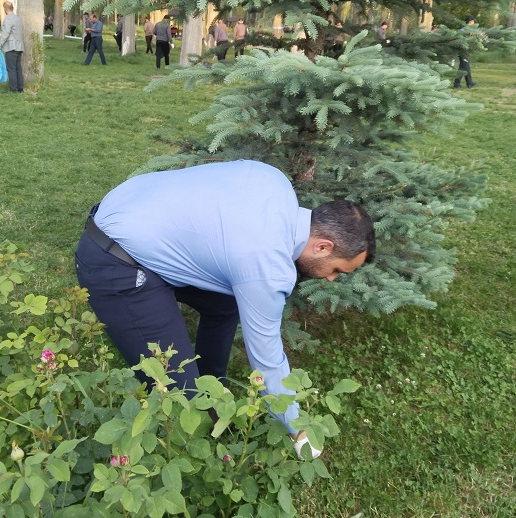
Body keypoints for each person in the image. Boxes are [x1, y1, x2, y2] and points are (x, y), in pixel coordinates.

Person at [75, 160, 375, 457]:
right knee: (181, 396)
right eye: (337, 270)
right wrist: (298, 428)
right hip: (113, 259)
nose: (332, 279)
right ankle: (190, 453)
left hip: (131, 213)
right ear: (323, 246)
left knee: (226, 303)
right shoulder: (267, 266)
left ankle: (214, 391)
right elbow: (267, 359)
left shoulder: (275, 181)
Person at [0, 1, 24, 93]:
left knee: (11, 69)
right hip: (19, 46)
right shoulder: (18, 19)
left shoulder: (8, 19)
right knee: (18, 68)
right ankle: (20, 88)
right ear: (12, 8)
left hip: (12, 47)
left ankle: (13, 89)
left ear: (5, 9)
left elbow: (5, 34)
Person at [453, 15, 476, 89]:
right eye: (473, 21)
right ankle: (456, 84)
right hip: (464, 51)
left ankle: (469, 83)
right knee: (462, 67)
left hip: (464, 50)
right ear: (471, 21)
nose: (474, 23)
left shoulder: (462, 29)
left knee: (467, 67)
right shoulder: (466, 30)